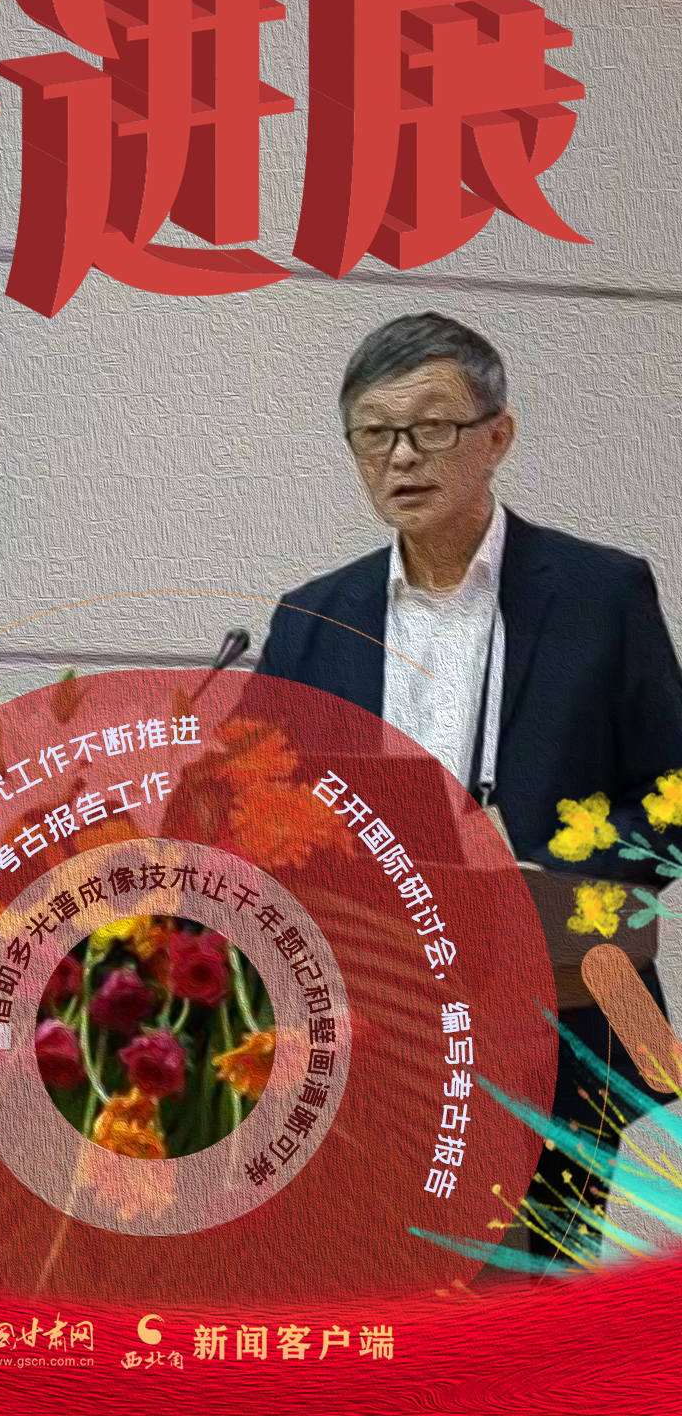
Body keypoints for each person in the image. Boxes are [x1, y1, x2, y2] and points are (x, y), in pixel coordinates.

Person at [256, 310, 682, 1263]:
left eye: (434, 427)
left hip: (556, 1006)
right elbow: (255, 810)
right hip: (370, 1022)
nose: (403, 457)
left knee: (534, 1290)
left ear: (499, 435)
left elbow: (672, 792)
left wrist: (543, 869)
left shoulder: (601, 594)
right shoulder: (312, 620)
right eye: (376, 434)